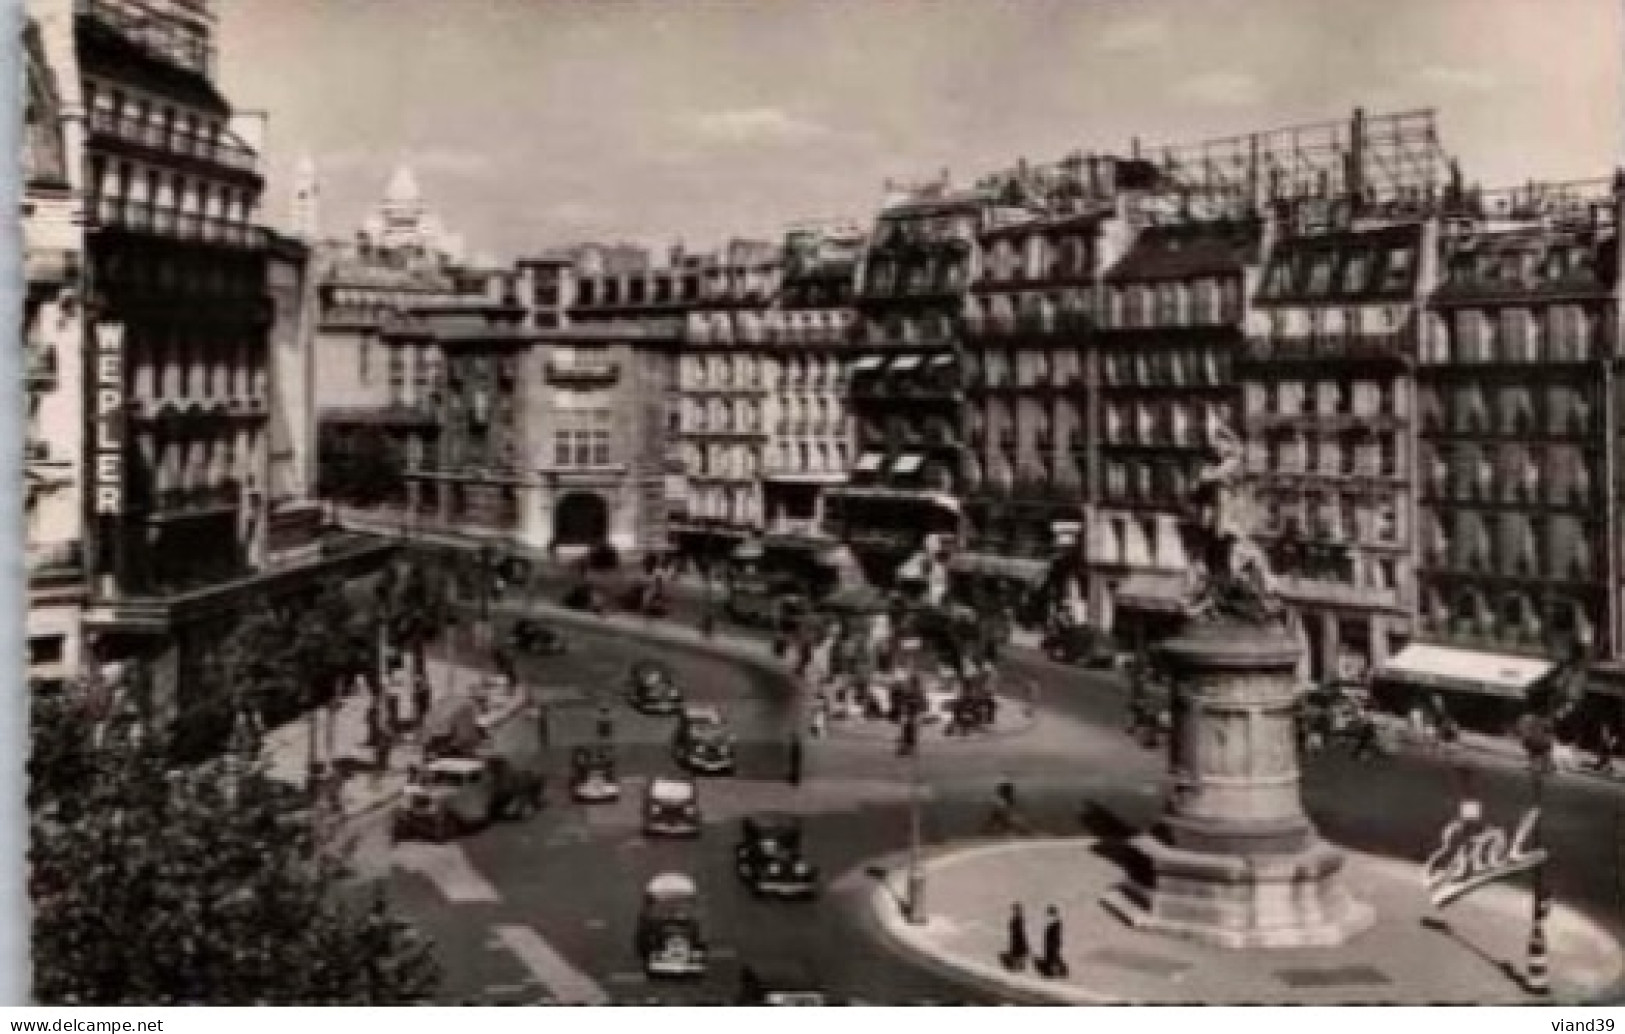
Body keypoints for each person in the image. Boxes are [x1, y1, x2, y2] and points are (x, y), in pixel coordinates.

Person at [1038, 906, 1068, 978]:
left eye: (1050, 914)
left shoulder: (1055, 924)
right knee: (1052, 957)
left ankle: (1058, 971)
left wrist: (1052, 944)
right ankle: (1054, 971)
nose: (1048, 916)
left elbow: (1055, 936)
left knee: (1054, 957)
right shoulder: (1053, 924)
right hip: (1050, 945)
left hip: (1053, 945)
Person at [1001, 903, 1030, 972]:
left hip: (1018, 942)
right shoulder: (1018, 920)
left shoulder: (1018, 920)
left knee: (1018, 952)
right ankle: (1017, 965)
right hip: (1017, 941)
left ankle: (1017, 965)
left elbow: (1019, 933)